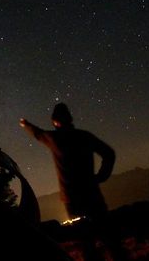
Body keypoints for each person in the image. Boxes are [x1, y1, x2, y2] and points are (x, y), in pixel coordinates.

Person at [20, 102, 127, 261]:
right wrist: (101, 176)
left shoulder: (54, 139)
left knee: (86, 242)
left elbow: (37, 133)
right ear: (70, 119)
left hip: (72, 200)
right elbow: (109, 153)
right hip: (92, 194)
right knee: (109, 237)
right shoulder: (84, 136)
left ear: (55, 122)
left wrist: (25, 124)